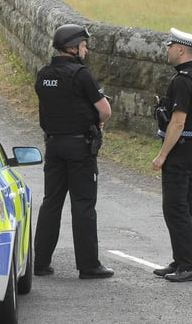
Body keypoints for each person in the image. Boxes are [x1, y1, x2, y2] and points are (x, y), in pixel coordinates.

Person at [33, 24, 114, 279]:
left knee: (51, 203)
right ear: (72, 47)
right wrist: (96, 121)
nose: (86, 50)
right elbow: (105, 110)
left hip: (54, 146)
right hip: (80, 148)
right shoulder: (81, 75)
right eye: (83, 45)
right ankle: (88, 266)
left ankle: (40, 263)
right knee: (83, 205)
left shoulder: (43, 74)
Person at [151, 28, 192, 283]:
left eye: (170, 47)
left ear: (180, 50)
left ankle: (188, 265)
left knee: (175, 208)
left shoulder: (182, 80)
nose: (167, 51)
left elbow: (177, 122)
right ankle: (181, 261)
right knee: (188, 206)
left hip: (181, 148)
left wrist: (162, 155)